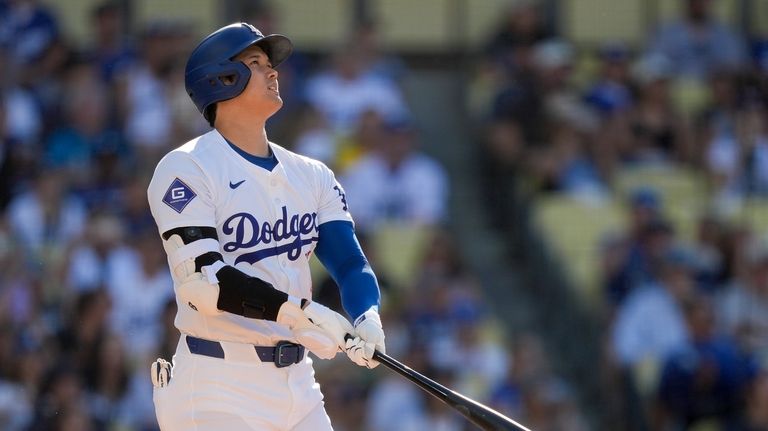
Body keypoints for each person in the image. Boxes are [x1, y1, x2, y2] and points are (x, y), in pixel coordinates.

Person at [146, 23, 386, 430]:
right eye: (255, 63)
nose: (273, 71)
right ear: (222, 79)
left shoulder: (312, 173)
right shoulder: (186, 168)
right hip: (216, 381)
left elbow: (348, 262)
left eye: (269, 64)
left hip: (298, 382)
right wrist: (302, 314)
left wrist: (367, 315)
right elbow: (206, 285)